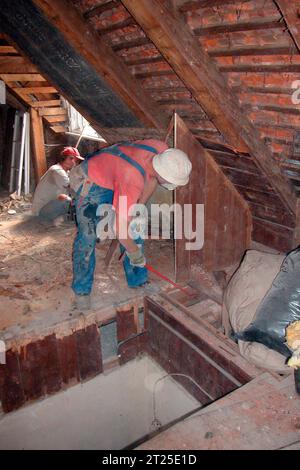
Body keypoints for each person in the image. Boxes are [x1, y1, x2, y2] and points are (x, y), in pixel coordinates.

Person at [70, 140, 192, 310]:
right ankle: (81, 290)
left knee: (135, 226)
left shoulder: (163, 151)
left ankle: (138, 281)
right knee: (88, 236)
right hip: (91, 181)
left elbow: (152, 179)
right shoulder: (132, 180)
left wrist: (137, 208)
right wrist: (135, 253)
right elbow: (120, 231)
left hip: (117, 174)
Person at [32, 147, 84, 223]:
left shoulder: (65, 171)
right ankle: (47, 221)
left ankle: (65, 219)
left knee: (69, 199)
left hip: (48, 205)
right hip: (40, 210)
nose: (74, 162)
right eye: (71, 158)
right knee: (68, 200)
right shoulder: (57, 171)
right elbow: (72, 189)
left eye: (75, 160)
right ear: (63, 158)